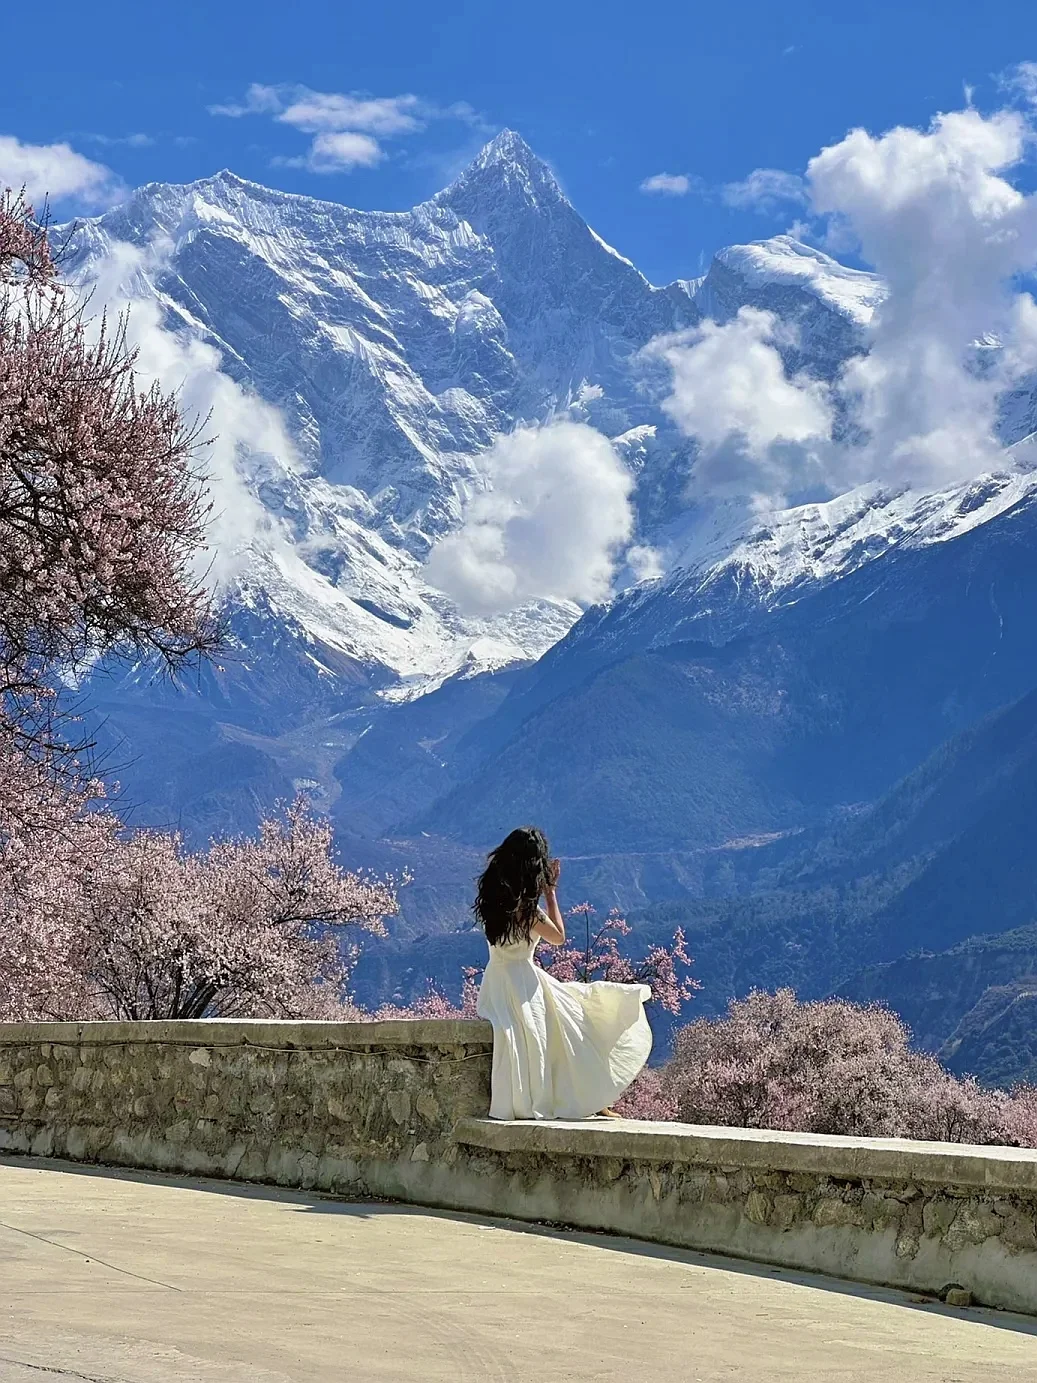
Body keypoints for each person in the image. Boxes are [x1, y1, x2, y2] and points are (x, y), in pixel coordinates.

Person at [474, 826, 652, 1120]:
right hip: (524, 984)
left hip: (496, 981)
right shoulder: (528, 912)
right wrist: (551, 893)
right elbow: (558, 937)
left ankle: (589, 1099)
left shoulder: (493, 903)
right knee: (579, 1022)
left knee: (561, 1023)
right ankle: (592, 1097)